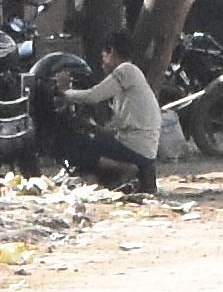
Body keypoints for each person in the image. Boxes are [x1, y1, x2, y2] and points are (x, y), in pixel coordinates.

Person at [58, 40, 166, 196]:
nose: (103, 63)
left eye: (104, 57)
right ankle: (114, 175)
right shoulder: (133, 76)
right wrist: (93, 128)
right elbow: (115, 127)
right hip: (142, 149)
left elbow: (92, 96)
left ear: (113, 53)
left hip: (136, 148)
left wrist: (65, 93)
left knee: (74, 143)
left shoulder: (126, 70)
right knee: (92, 141)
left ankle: (122, 168)